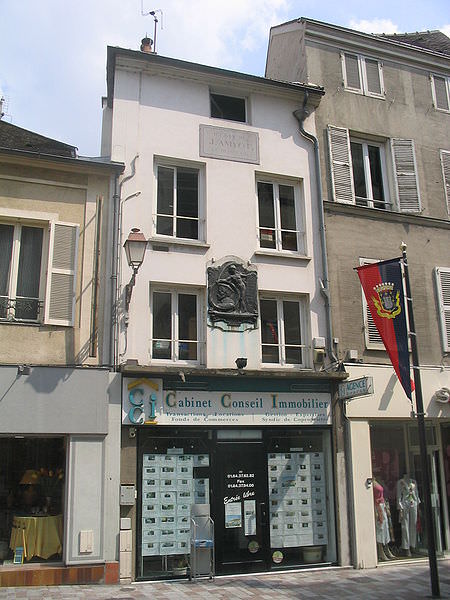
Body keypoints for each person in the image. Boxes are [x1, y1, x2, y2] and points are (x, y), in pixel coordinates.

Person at [397, 474, 420, 556]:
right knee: (405, 525)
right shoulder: (400, 482)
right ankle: (406, 547)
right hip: (405, 504)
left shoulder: (414, 482)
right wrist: (400, 507)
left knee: (413, 524)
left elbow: (416, 493)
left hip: (413, 503)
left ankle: (412, 545)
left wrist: (418, 505)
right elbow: (399, 495)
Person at [373, 477, 394, 560]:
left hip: (382, 505)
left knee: (385, 528)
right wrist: (375, 512)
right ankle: (381, 551)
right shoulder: (371, 483)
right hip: (377, 506)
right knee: (380, 528)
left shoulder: (378, 481)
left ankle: (386, 549)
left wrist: (386, 507)